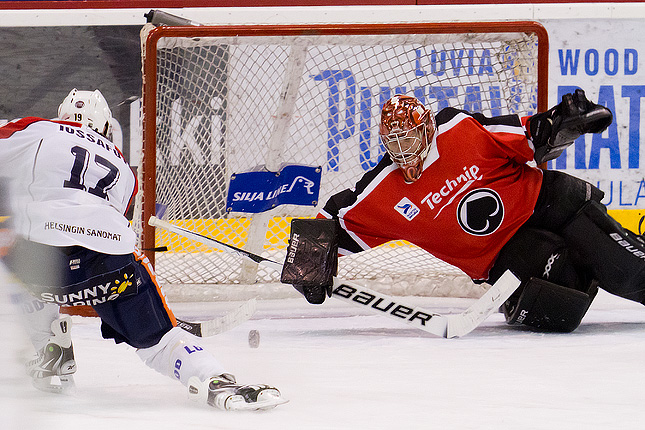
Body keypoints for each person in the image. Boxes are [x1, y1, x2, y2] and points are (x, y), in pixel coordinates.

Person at [0, 88, 286, 411]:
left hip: (36, 266)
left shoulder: (37, 129)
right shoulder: (123, 169)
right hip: (110, 266)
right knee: (162, 341)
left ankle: (49, 346)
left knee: (11, 238)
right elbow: (96, 241)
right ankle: (214, 377)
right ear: (107, 129)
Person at [284, 89, 642, 334]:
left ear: (427, 130)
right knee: (559, 312)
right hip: (508, 255)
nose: (402, 151)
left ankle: (616, 250)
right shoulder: (380, 192)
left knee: (627, 274)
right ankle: (596, 255)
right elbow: (335, 219)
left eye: (408, 140)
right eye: (393, 143)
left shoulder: (458, 128)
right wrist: (307, 266)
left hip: (549, 206)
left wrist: (562, 122)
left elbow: (530, 135)